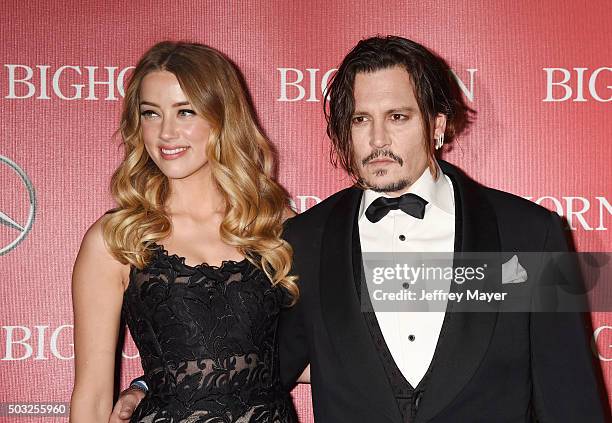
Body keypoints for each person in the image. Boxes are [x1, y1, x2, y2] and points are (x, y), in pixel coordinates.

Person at [113, 36, 609, 422]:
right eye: (359, 120)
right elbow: (255, 361)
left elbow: (569, 399)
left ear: (437, 125)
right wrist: (151, 385)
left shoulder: (529, 233)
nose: (377, 140)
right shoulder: (304, 239)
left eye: (397, 117)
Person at [70, 41, 299, 422]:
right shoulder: (116, 240)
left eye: (185, 112)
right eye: (151, 114)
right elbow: (92, 398)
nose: (166, 133)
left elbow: (310, 355)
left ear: (222, 118)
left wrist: (140, 386)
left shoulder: (274, 227)